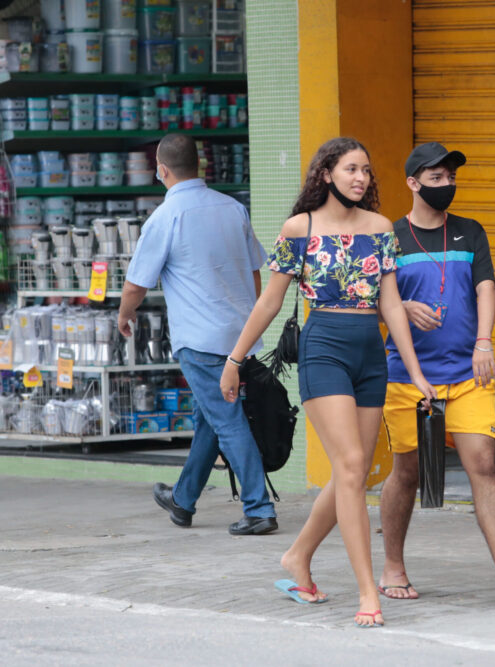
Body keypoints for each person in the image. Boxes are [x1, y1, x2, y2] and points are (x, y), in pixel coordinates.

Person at [219, 137, 437, 628]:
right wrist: (235, 359)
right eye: (351, 169)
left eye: (366, 170)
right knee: (353, 465)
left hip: (370, 355)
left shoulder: (380, 228)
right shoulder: (301, 228)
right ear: (326, 174)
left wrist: (416, 372)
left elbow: (391, 305)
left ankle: (298, 556)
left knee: (350, 475)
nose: (361, 178)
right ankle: (367, 592)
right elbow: (269, 301)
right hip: (324, 352)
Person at [377, 142, 495, 600]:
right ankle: (393, 568)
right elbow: (371, 300)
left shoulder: (470, 232)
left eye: (450, 177)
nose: (447, 185)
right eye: (436, 178)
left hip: (468, 375)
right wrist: (402, 307)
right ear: (413, 183)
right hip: (407, 378)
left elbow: (486, 286)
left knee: (483, 464)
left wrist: (484, 342)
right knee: (407, 473)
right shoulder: (390, 237)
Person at [119, 134, 276, 535]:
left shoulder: (165, 217)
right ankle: (183, 499)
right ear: (199, 165)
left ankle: (259, 508)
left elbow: (136, 284)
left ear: (162, 170)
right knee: (210, 418)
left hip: (200, 341)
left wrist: (125, 314)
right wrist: (250, 323)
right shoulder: (233, 208)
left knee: (226, 419)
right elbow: (255, 272)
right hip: (239, 337)